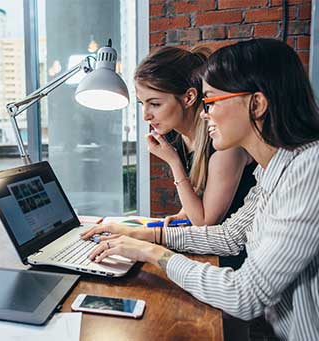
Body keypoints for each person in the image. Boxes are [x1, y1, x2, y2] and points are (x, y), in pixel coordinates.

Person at [81, 38, 319, 340]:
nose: (205, 115)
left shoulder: (310, 171)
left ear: (256, 104)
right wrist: (147, 235)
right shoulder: (272, 169)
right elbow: (230, 236)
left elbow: (244, 295)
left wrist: (151, 251)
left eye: (212, 102)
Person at [135, 47, 256, 230]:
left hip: (236, 250)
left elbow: (205, 221)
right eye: (142, 104)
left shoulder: (225, 143)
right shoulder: (175, 136)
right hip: (209, 246)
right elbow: (200, 195)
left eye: (155, 104)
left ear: (189, 97)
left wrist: (173, 161)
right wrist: (183, 215)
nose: (146, 116)